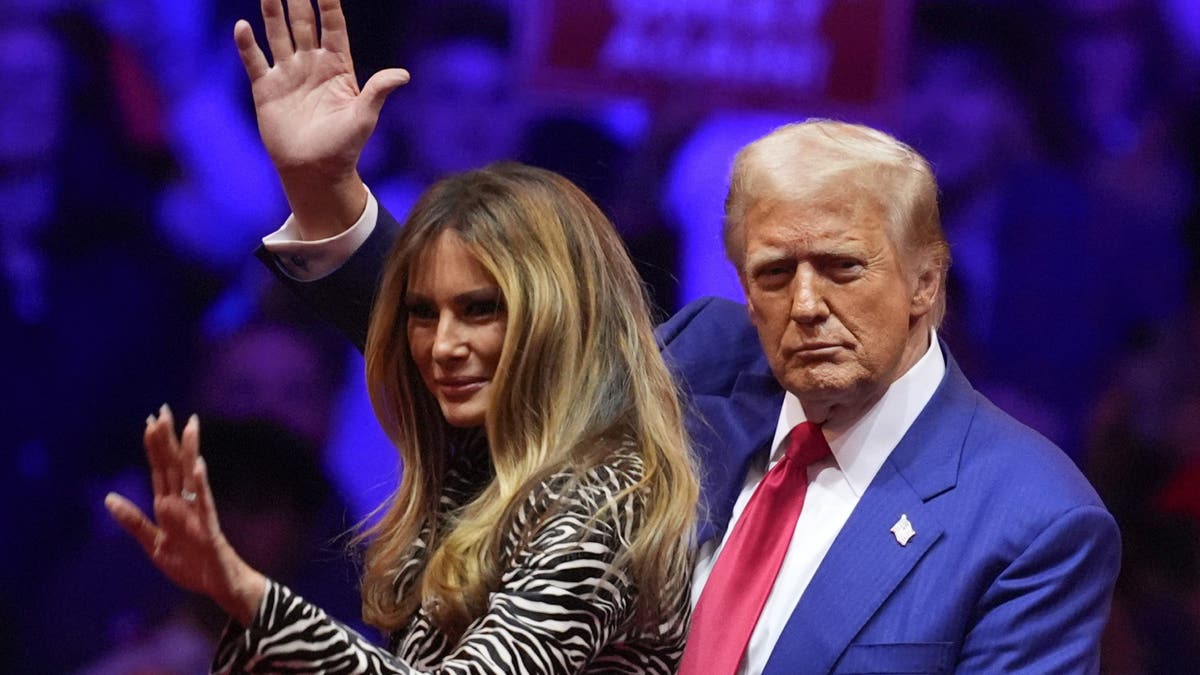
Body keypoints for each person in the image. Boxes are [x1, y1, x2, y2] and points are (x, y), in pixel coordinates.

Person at [226, 0, 1121, 672]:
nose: (806, 303)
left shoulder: (1032, 519)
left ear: (927, 278)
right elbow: (494, 338)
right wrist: (325, 191)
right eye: (774, 273)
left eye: (843, 268)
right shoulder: (705, 365)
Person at [105, 5, 699, 672]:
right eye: (425, 314)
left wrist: (242, 593)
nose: (442, 345)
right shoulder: (481, 450)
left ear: (554, 323)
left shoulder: (597, 498)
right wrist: (316, 182)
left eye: (480, 311)